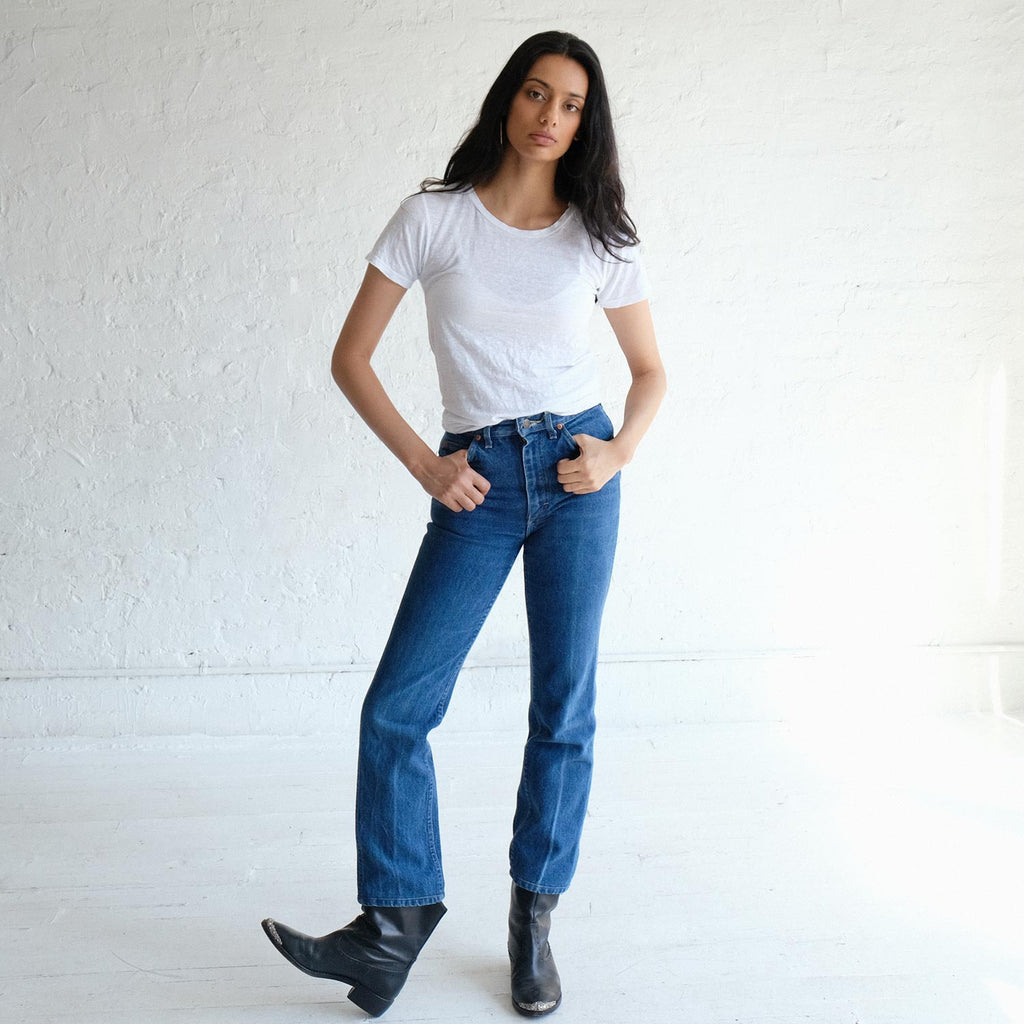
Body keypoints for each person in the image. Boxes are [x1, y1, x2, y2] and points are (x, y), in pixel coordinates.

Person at [261, 29, 666, 1018]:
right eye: (536, 93)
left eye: (571, 104)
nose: (549, 116)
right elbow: (350, 357)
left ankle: (533, 920)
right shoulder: (433, 218)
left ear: (586, 124)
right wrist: (425, 464)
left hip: (576, 474)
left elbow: (651, 373)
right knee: (397, 707)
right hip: (475, 478)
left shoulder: (598, 234)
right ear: (507, 99)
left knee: (562, 708)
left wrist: (616, 453)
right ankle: (393, 924)